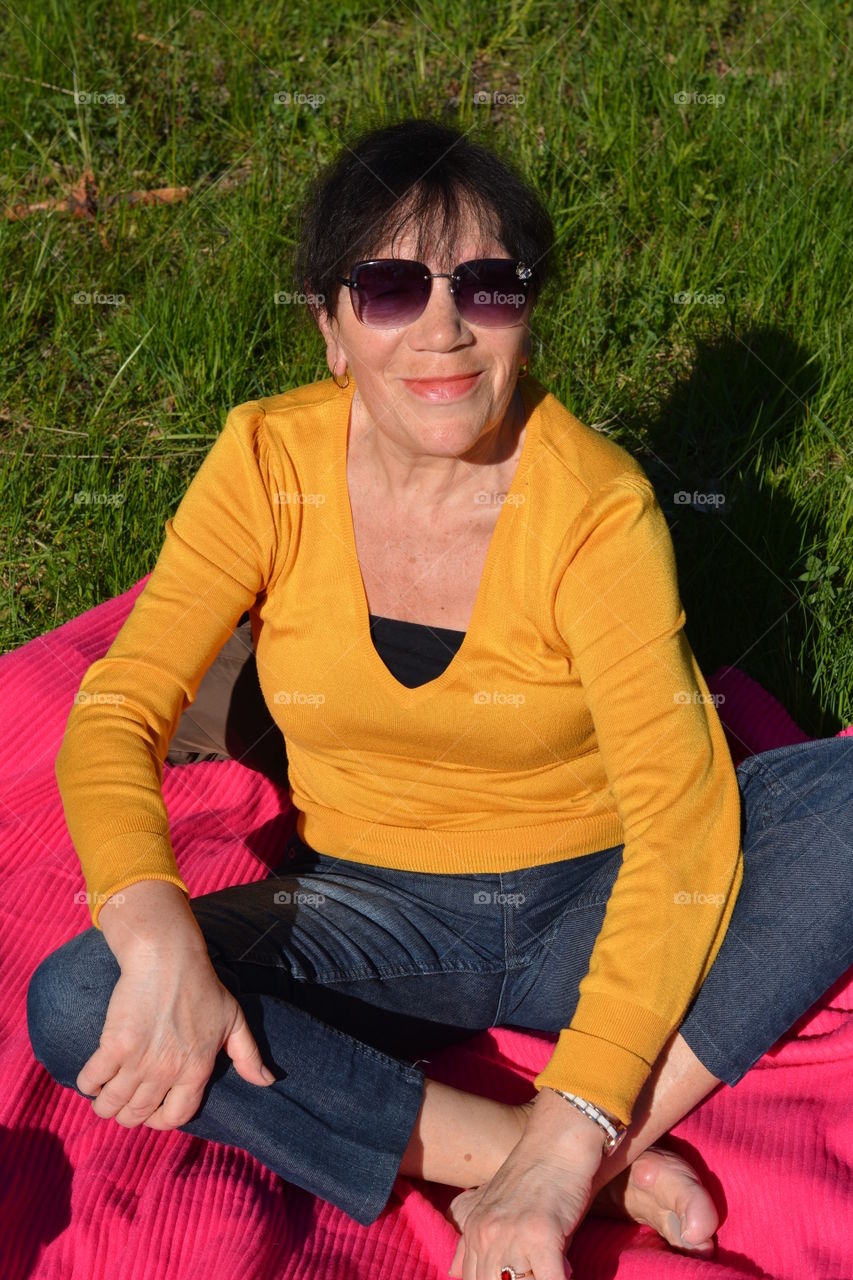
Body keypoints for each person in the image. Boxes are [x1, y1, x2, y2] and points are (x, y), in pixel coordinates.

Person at [27, 118, 853, 1280]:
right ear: (328, 322)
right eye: (389, 285)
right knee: (88, 993)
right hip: (375, 912)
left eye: (488, 284)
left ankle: (571, 1150)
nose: (443, 327)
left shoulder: (596, 503)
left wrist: (584, 1112)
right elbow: (119, 708)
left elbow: (677, 812)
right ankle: (512, 1155)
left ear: (526, 308)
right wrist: (151, 915)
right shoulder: (267, 461)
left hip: (592, 889)